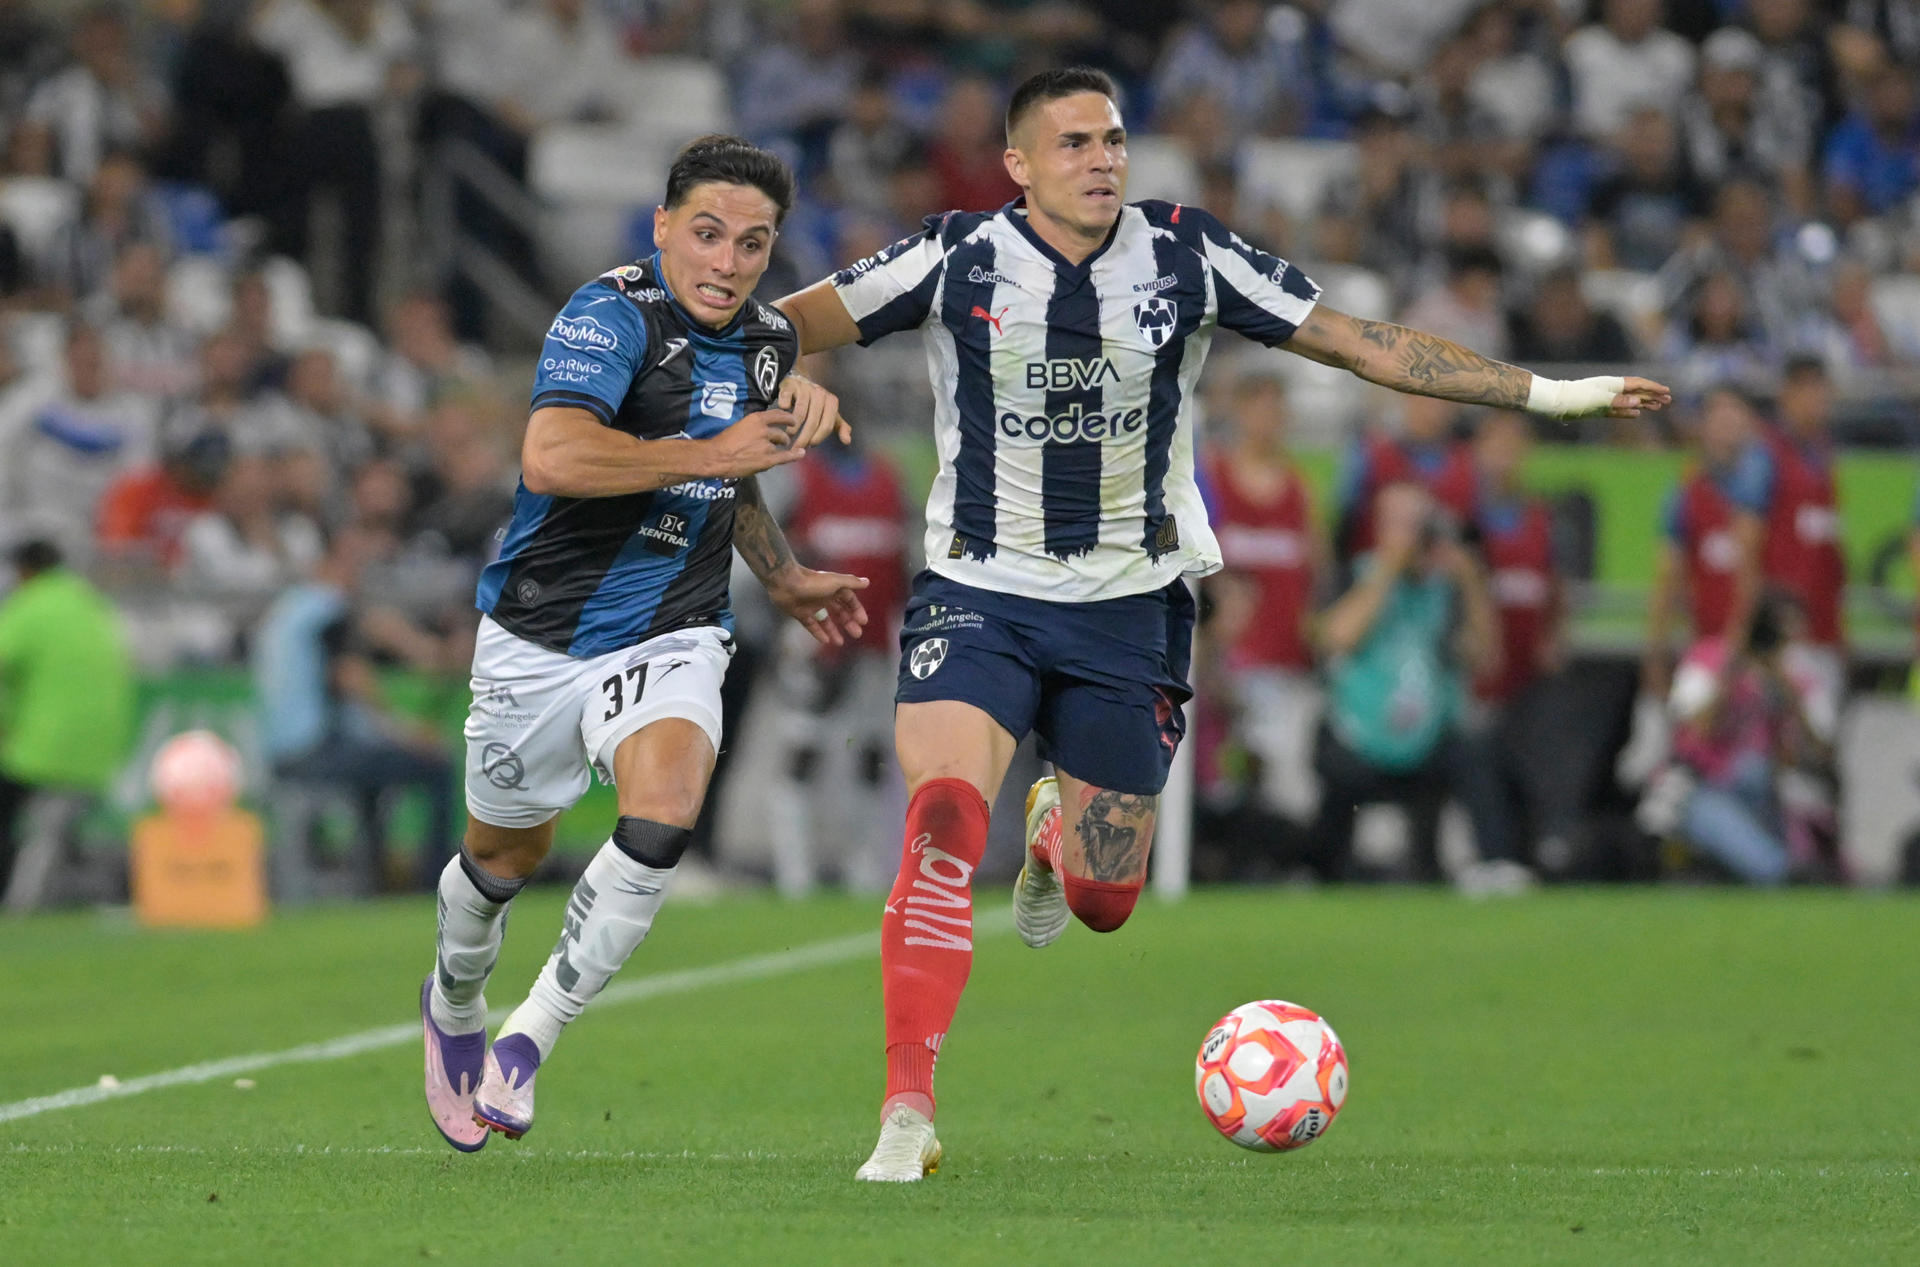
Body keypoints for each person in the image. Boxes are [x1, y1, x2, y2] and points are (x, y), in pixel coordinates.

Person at [768, 66, 1670, 1181]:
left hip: (1131, 607)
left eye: (1112, 140)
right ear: (1018, 165)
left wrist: (1551, 393)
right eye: (1073, 145)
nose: (1102, 160)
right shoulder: (955, 255)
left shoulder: (1186, 255)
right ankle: (907, 1111)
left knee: (1105, 901)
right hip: (980, 589)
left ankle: (1058, 829)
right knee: (944, 817)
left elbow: (1358, 342)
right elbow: (785, 324)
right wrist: (782, 377)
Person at [418, 136, 868, 1153]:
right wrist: (716, 449)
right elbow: (553, 452)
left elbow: (735, 475)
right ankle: (454, 1001)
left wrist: (784, 572)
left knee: (664, 811)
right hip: (540, 633)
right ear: (662, 227)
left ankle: (528, 1041)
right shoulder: (606, 313)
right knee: (502, 857)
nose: (726, 261)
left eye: (752, 244)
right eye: (706, 234)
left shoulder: (764, 343)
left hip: (674, 627)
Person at [1306, 481, 1514, 885]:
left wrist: (1471, 582)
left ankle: (1497, 863)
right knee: (1330, 762)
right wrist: (1388, 570)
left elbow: (1485, 660)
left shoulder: (1446, 587)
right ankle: (1321, 871)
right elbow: (1338, 637)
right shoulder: (1356, 572)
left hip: (1429, 735)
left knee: (1477, 752)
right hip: (1361, 735)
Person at [253, 524, 457, 890]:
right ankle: (434, 883)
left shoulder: (288, 611)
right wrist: (406, 732)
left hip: (282, 750)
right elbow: (354, 678)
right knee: (437, 766)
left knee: (374, 776)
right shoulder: (327, 609)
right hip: (314, 749)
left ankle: (376, 879)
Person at [0, 539, 134, 899]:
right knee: (59, 830)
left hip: (45, 746)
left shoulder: (31, 606)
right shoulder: (90, 604)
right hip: (99, 748)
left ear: (24, 570)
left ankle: (16, 900)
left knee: (15, 819)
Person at [1644, 386, 1773, 701]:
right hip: (1708, 646)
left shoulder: (1771, 488)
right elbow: (1668, 577)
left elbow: (1753, 575)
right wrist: (1656, 651)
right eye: (1719, 414)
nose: (1728, 423)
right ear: (1701, 426)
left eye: (1735, 413)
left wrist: (1739, 644)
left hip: (1766, 653)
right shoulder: (1685, 495)